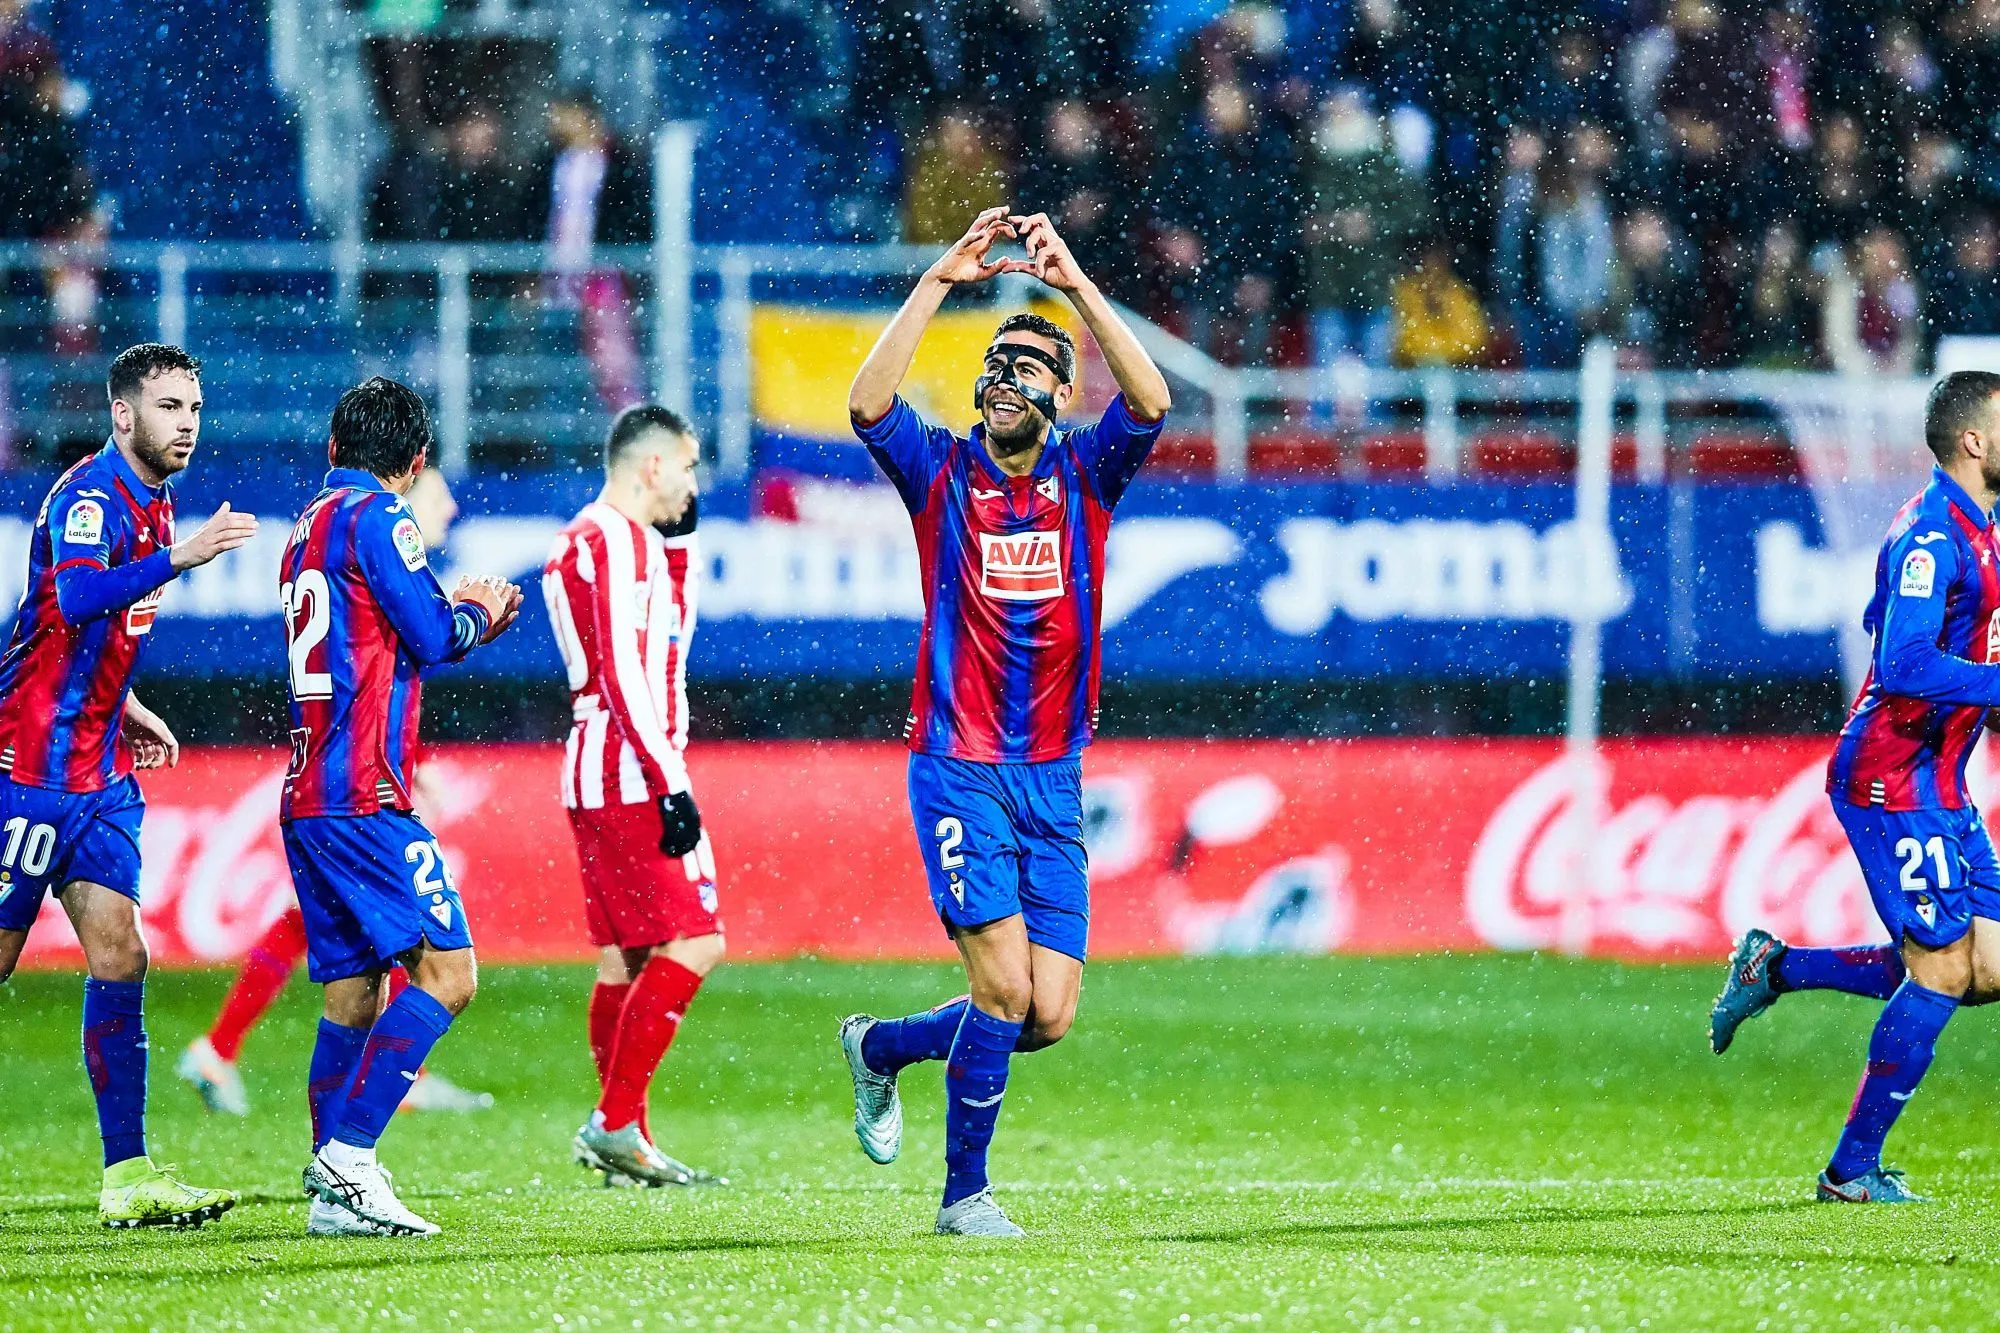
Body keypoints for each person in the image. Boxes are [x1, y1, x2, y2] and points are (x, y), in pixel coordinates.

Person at [838, 209, 1170, 1237]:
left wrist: (1071, 290)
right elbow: (864, 402)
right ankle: (962, 1196)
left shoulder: (1085, 477)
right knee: (1000, 982)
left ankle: (881, 1047)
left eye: (1029, 365)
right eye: (995, 360)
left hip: (1052, 776)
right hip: (957, 767)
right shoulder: (939, 472)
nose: (1005, 376)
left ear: (1062, 397)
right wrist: (938, 281)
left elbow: (1153, 401)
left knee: (1046, 1013)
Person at [1711, 371, 2000, 1204]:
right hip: (1889, 777)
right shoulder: (1930, 537)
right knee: (1943, 970)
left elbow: (1893, 625)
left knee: (1986, 966)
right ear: (1972, 440)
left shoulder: (1980, 528)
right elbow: (1903, 662)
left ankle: (1779, 967)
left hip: (1941, 778)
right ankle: (1849, 1170)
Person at [0, 342, 257, 1226]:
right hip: (27, 768)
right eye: (168, 407)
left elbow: (99, 632)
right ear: (123, 414)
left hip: (99, 771)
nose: (186, 422)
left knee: (122, 953)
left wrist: (131, 702)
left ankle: (128, 1174)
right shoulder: (88, 497)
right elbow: (72, 601)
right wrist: (182, 559)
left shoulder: (158, 500)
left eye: (194, 406)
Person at [175, 467, 494, 1118]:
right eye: (437, 495)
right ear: (405, 495)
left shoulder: (327, 543)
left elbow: (362, 672)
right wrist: (473, 618)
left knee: (350, 955)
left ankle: (327, 1131)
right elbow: (393, 664)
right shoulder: (377, 545)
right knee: (421, 950)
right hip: (352, 789)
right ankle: (351, 1122)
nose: (450, 507)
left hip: (325, 782)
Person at [284, 378, 523, 1237]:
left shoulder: (304, 528)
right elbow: (432, 635)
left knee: (351, 991)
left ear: (333, 447)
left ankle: (329, 1194)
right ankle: (349, 1157)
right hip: (365, 796)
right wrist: (480, 612)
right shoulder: (382, 519)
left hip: (308, 792)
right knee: (448, 974)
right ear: (414, 461)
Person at [542, 404, 727, 1189]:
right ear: (651, 465)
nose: (692, 483)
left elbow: (666, 644)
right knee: (698, 938)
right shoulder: (607, 541)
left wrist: (679, 553)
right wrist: (671, 780)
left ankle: (628, 1139)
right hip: (630, 772)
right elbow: (623, 672)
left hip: (608, 766)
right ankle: (617, 1119)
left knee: (628, 954)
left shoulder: (609, 542)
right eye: (685, 467)